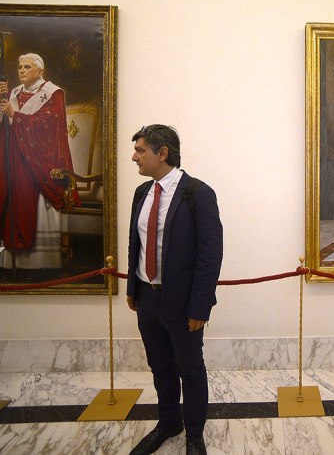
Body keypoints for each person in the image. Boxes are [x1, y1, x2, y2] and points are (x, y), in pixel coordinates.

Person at [127, 125, 223, 455]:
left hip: (182, 304)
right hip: (147, 299)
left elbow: (210, 255)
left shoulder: (197, 194)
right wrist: (132, 287)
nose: (134, 156)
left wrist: (200, 307)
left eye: (140, 150)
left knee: (190, 369)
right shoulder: (142, 193)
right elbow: (135, 245)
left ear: (162, 153)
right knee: (160, 366)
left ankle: (194, 434)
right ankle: (169, 422)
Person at [0, 53, 78, 269]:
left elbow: (48, 129)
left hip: (38, 166)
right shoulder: (13, 93)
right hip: (14, 162)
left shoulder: (53, 93)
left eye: (27, 67)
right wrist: (0, 103)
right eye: (19, 67)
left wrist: (15, 115)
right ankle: (14, 263)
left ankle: (40, 264)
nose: (21, 70)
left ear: (39, 71)